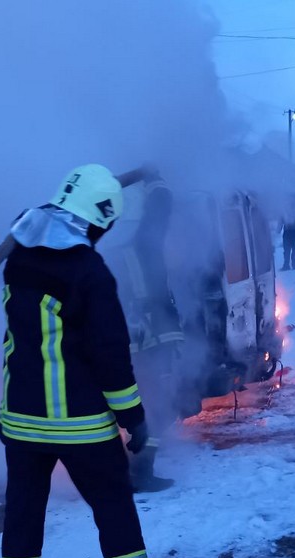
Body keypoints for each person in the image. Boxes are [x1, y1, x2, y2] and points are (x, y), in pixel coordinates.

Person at [0, 164, 175, 558]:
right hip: (78, 424)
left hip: (19, 420)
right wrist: (133, 419)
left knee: (24, 511)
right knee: (114, 510)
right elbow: (110, 357)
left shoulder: (18, 255)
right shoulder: (88, 273)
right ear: (99, 218)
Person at [111, 175, 182, 492]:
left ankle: (129, 464)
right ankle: (141, 471)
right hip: (148, 339)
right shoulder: (141, 243)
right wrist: (155, 180)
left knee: (136, 405)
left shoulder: (101, 246)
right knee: (156, 405)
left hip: (128, 339)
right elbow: (161, 208)